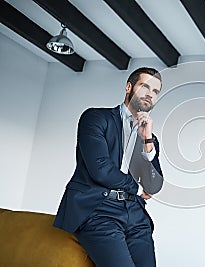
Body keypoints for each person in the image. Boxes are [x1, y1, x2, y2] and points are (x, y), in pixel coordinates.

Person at [53, 67, 164, 267]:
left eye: (156, 91)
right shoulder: (96, 118)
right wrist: (138, 189)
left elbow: (154, 185)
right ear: (129, 87)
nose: (150, 94)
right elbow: (101, 169)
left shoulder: (150, 137)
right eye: (145, 86)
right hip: (98, 209)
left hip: (135, 214)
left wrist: (147, 140)